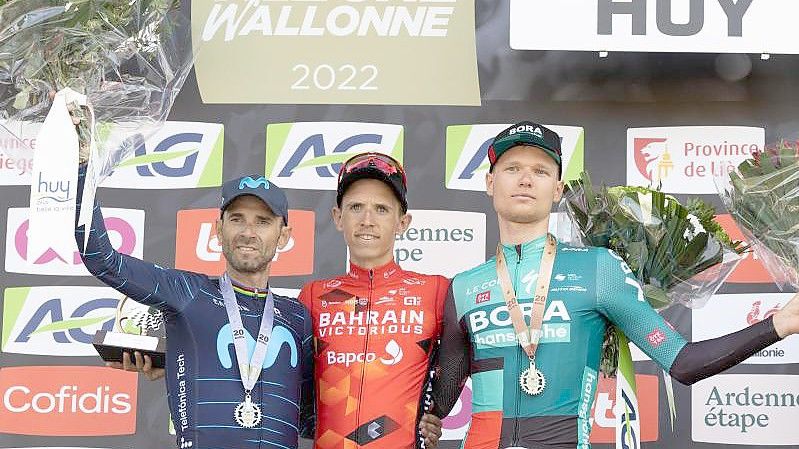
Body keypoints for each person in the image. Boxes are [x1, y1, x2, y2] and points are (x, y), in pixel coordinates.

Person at [430, 121, 799, 449]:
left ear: (558, 189)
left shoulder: (597, 269)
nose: (526, 179)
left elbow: (684, 363)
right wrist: (424, 418)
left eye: (540, 171)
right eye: (512, 168)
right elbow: (440, 400)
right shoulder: (463, 287)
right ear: (490, 182)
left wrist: (779, 324)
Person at [76, 166, 314, 449]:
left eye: (262, 221)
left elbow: (312, 419)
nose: (248, 232)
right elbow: (103, 260)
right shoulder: (189, 292)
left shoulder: (298, 316)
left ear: (284, 235)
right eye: (237, 219)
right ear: (219, 229)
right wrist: (82, 169)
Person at [299, 152, 448, 449]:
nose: (367, 220)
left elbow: (469, 361)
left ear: (402, 222)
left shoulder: (435, 291)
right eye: (356, 207)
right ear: (338, 218)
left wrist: (436, 411)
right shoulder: (313, 295)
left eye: (381, 209)